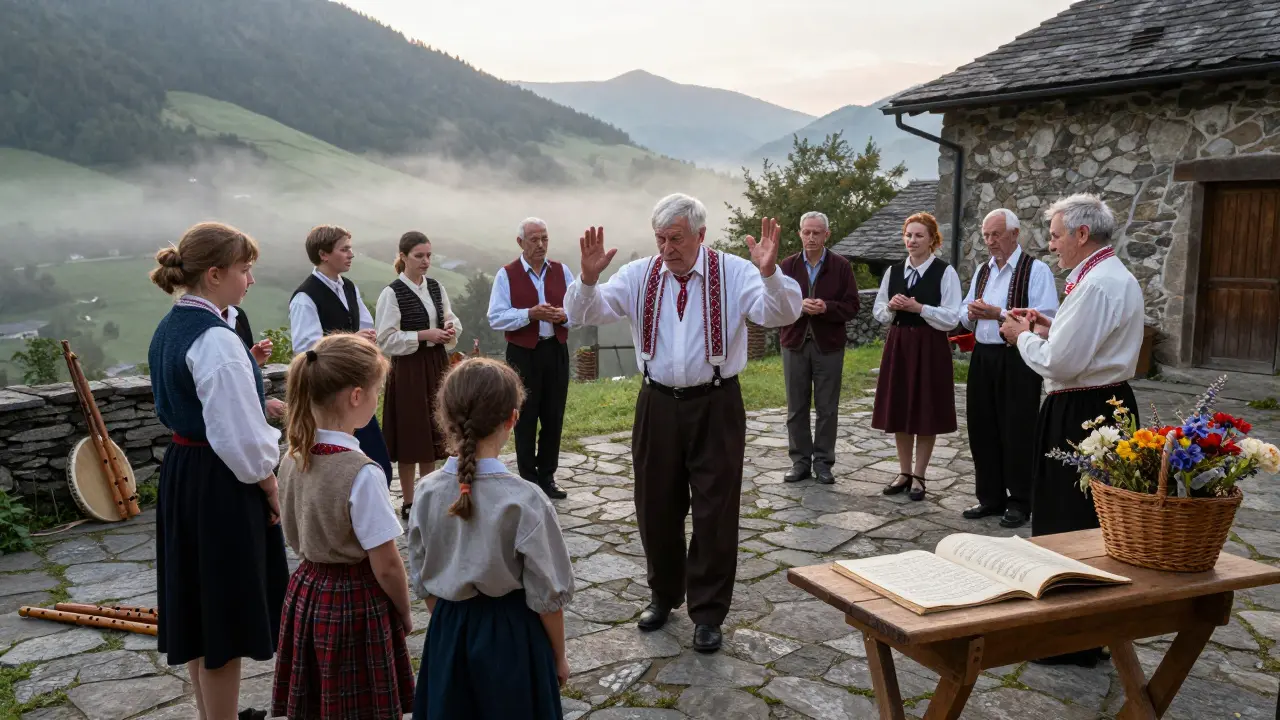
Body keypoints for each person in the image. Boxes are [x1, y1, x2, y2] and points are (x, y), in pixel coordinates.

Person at [564, 193, 803, 653]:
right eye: (660, 238)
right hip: (657, 403)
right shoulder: (639, 275)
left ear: (701, 235)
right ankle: (663, 594)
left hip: (716, 402)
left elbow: (781, 313)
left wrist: (771, 272)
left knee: (715, 509)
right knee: (655, 504)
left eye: (676, 238)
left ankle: (708, 612)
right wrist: (588, 280)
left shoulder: (734, 272)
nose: (667, 248)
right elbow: (584, 313)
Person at [147, 222, 288, 720]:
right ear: (214, 274)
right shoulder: (216, 340)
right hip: (218, 481)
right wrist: (269, 483)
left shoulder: (170, 326)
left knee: (200, 613)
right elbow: (240, 437)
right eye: (244, 269)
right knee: (222, 617)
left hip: (186, 472)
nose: (250, 280)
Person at [1000, 192, 1143, 669]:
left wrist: (1022, 336)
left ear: (1082, 234)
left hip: (1081, 411)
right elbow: (1084, 344)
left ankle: (1066, 638)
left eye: (1056, 235)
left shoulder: (1096, 285)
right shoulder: (1111, 276)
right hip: (1104, 402)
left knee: (1068, 520)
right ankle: (1086, 630)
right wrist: (1051, 326)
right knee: (1091, 519)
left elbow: (1062, 363)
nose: (1051, 244)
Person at [407, 358, 574, 720]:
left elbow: (422, 578)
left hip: (448, 631)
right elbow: (548, 597)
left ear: (445, 418)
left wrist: (455, 620)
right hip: (512, 639)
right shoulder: (525, 500)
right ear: (513, 419)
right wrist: (558, 656)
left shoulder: (426, 491)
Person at [272, 333, 414, 719]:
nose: (377, 399)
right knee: (357, 706)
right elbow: (387, 564)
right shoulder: (361, 473)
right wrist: (403, 611)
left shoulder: (292, 458)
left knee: (321, 703)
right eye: (376, 391)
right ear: (356, 396)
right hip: (355, 603)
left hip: (307, 591)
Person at [959, 208, 1059, 529]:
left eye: (996, 234)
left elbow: (1044, 319)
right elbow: (964, 310)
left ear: (1015, 234)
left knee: (1018, 428)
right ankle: (990, 497)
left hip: (1019, 357)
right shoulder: (982, 271)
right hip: (983, 355)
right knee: (982, 426)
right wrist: (970, 313)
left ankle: (1020, 500)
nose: (990, 241)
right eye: (986, 235)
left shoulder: (1036, 270)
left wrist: (998, 313)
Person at [288, 225, 394, 486]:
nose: (351, 254)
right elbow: (306, 349)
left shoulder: (348, 287)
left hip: (357, 388)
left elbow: (365, 324)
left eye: (350, 248)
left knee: (378, 461)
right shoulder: (305, 297)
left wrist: (367, 338)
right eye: (344, 249)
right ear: (324, 254)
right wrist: (352, 340)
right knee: (342, 467)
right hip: (330, 395)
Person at [872, 212, 962, 502]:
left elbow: (952, 317)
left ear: (932, 239)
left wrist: (920, 308)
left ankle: (919, 476)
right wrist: (892, 307)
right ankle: (904, 472)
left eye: (919, 235)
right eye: (908, 235)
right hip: (899, 344)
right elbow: (879, 311)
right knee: (899, 408)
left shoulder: (945, 272)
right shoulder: (894, 271)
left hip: (930, 346)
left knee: (925, 409)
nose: (912, 240)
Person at [486, 217, 575, 500]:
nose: (540, 245)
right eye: (534, 239)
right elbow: (496, 317)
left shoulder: (562, 271)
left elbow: (579, 311)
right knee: (524, 416)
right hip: (523, 353)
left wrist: (564, 316)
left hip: (555, 348)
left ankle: (547, 476)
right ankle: (528, 477)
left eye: (544, 238)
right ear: (520, 242)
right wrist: (529, 314)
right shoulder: (506, 275)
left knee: (553, 415)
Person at [375, 231, 461, 517]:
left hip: (436, 364)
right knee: (412, 433)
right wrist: (424, 335)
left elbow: (450, 318)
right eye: (419, 256)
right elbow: (386, 340)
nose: (425, 261)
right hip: (409, 369)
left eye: (428, 256)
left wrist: (449, 329)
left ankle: (428, 496)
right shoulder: (392, 293)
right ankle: (409, 502)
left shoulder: (435, 287)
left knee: (432, 433)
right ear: (403, 257)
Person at [778, 211, 861, 485]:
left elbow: (852, 306)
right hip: (794, 343)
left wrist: (827, 307)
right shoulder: (787, 266)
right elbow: (776, 304)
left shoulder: (841, 266)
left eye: (816, 232)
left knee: (827, 408)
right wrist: (798, 306)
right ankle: (800, 462)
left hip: (829, 346)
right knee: (796, 407)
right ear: (800, 233)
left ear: (827, 235)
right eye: (807, 232)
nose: (811, 237)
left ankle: (823, 463)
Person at [225, 305, 286, 421]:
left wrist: (258, 358)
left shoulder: (237, 315)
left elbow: (249, 370)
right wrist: (262, 404)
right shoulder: (205, 325)